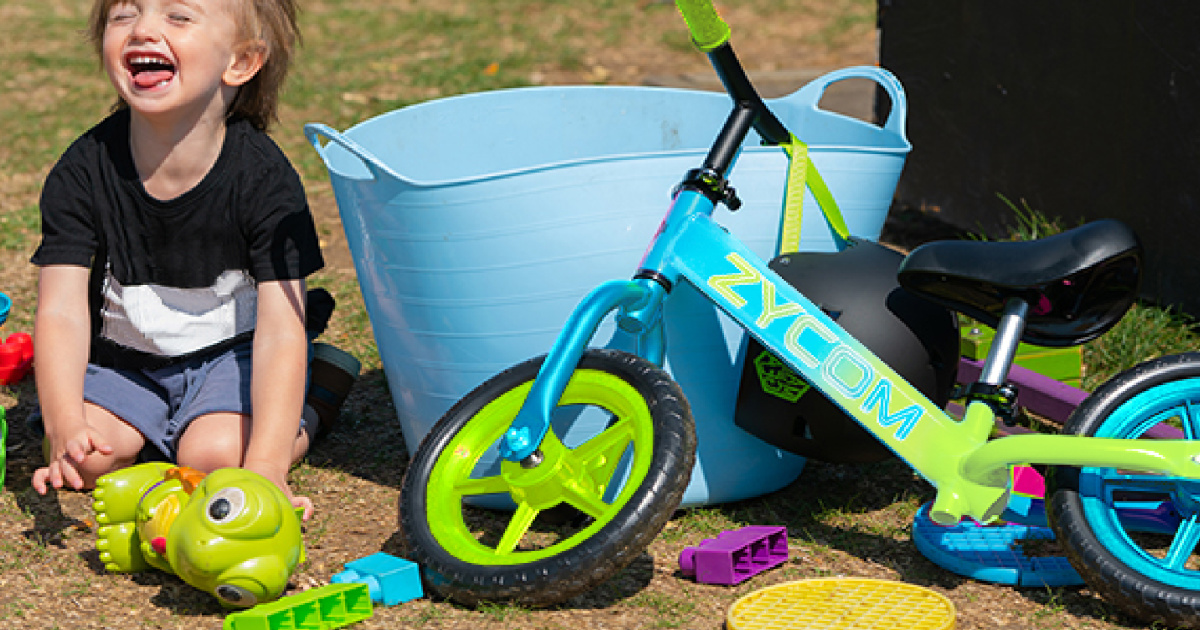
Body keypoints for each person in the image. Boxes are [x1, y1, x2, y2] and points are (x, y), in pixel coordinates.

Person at [28, 0, 340, 519]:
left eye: (177, 17)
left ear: (240, 62)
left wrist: (267, 466)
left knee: (217, 458)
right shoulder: (82, 170)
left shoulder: (264, 180)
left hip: (233, 358)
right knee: (87, 462)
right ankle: (153, 428)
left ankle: (317, 404)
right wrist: (63, 425)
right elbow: (60, 310)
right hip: (124, 363)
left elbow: (281, 330)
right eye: (124, 15)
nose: (143, 30)